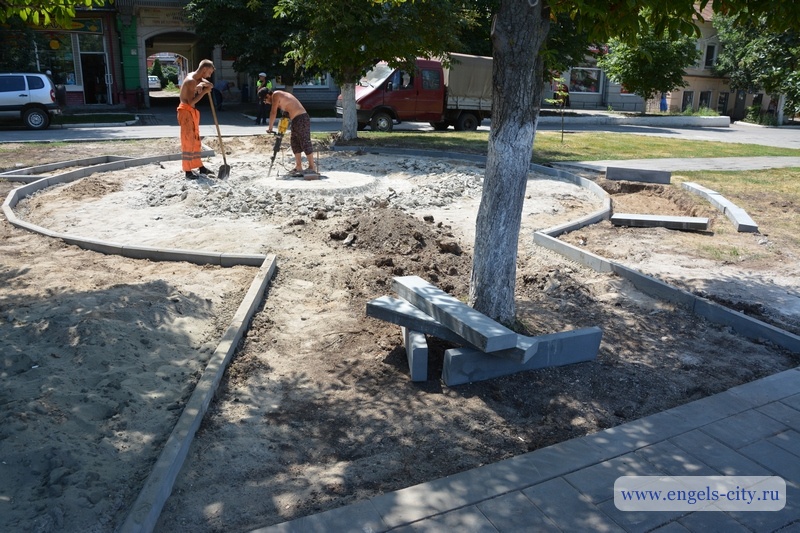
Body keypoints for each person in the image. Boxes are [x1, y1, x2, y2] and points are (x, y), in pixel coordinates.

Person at [177, 59, 216, 179]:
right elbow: (191, 102)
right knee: (188, 141)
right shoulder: (191, 81)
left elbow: (211, 85)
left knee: (196, 141)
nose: (209, 76)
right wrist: (204, 92)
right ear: (204, 69)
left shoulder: (197, 78)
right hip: (186, 112)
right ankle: (187, 171)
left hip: (191, 113)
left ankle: (200, 166)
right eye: (209, 72)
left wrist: (202, 85)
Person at [265, 89, 317, 176]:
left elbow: (273, 112)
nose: (266, 102)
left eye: (265, 100)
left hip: (301, 118)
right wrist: (281, 130)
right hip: (295, 120)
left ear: (267, 95)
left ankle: (312, 167)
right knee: (294, 143)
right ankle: (298, 166)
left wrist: (270, 128)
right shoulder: (282, 97)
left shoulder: (276, 95)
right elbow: (286, 113)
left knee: (304, 142)